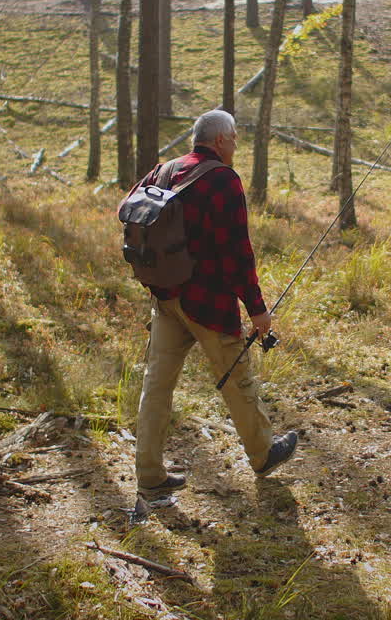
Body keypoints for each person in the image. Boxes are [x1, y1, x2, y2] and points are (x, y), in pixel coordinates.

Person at [128, 109, 298, 500]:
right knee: (237, 379)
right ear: (220, 140)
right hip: (208, 303)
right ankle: (263, 454)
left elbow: (132, 213)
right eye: (234, 138)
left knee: (156, 387)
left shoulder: (163, 171)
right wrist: (257, 309)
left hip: (165, 297)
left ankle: (149, 474)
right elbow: (237, 252)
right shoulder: (223, 179)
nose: (236, 145)